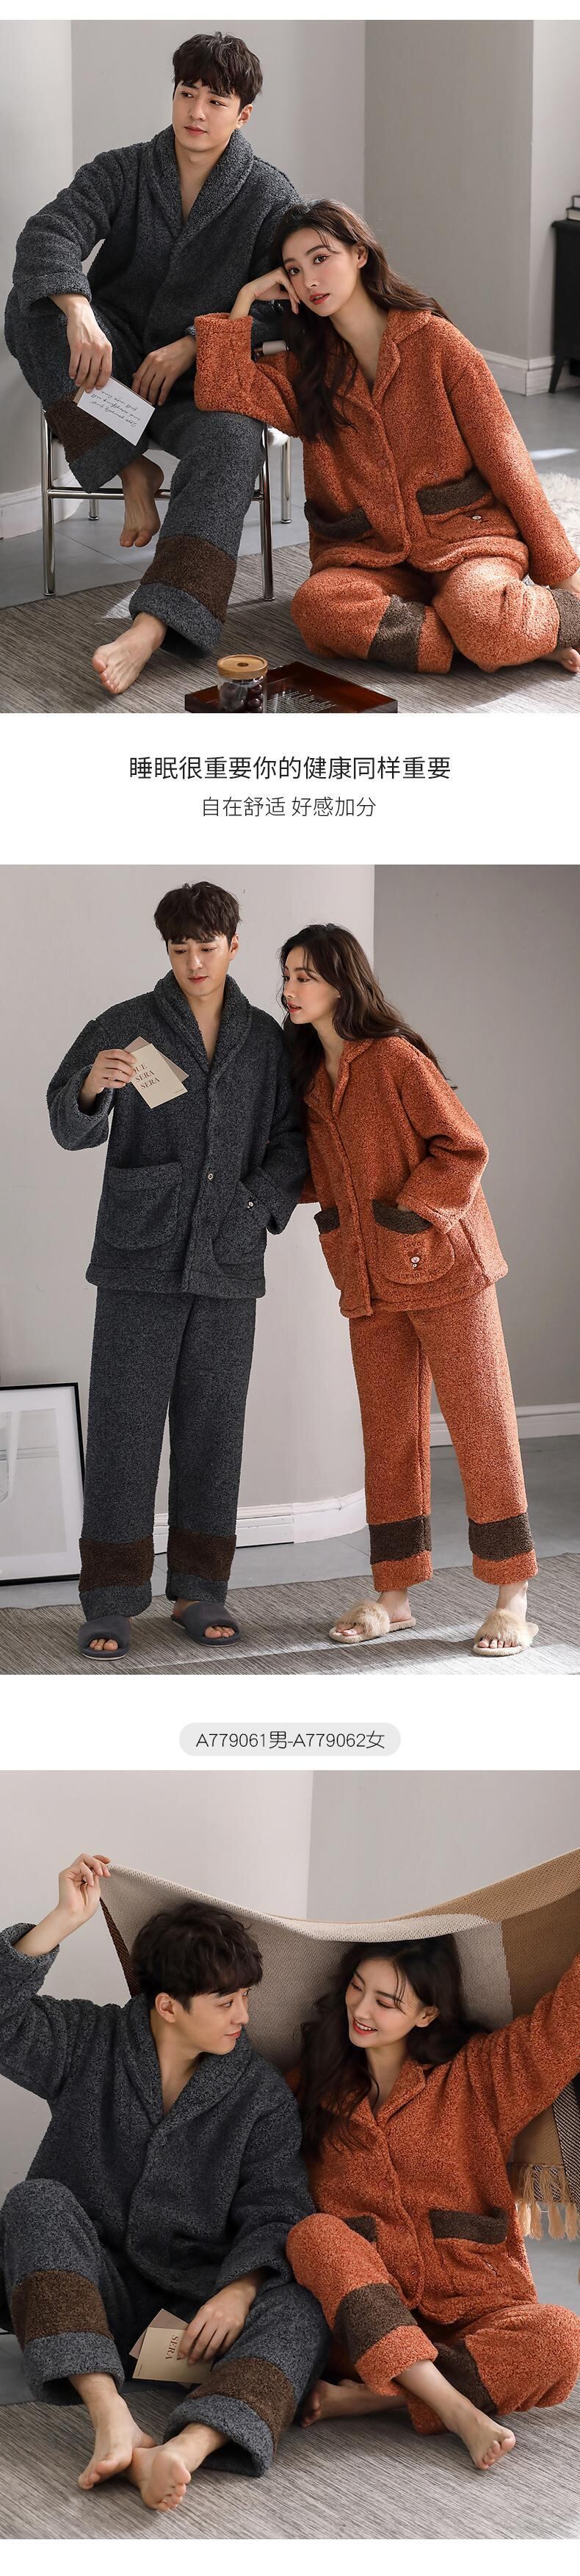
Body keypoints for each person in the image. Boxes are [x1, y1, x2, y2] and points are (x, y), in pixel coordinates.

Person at [0, 1854, 327, 2513]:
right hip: (89, 2298)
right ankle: (111, 2414)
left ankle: (188, 2447)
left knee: (302, 2310)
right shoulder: (89, 2039)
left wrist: (239, 2290)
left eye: (246, 1996)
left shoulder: (259, 2094)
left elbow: (278, 2206)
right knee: (35, 2202)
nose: (243, 2015)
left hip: (188, 2328)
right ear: (168, 2005)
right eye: (226, 2001)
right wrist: (62, 1920)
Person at [46, 879, 308, 1655]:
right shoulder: (124, 1024)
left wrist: (253, 1207)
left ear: (234, 945)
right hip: (139, 1256)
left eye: (207, 946)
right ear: (166, 949)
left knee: (213, 1432)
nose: (194, 961)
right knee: (124, 1430)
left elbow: (292, 1142)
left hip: (228, 1258)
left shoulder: (265, 1041)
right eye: (180, 947)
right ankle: (110, 1599)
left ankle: (200, 1591)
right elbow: (67, 1123)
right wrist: (92, 1085)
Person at [5, 31, 297, 697]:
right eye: (187, 93)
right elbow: (48, 234)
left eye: (215, 100)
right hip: (112, 365)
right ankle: (129, 463)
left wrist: (196, 342)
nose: (197, 111)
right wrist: (78, 308)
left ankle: (152, 625)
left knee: (234, 440)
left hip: (201, 384)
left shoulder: (269, 196)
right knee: (27, 308)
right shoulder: (125, 169)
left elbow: (285, 307)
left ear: (243, 114)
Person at [279, 923, 537, 1656]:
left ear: (341, 983)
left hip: (448, 1269)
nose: (290, 989)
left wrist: (409, 1212)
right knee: (388, 1437)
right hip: (369, 1280)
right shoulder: (311, 1080)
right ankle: (393, 1596)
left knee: (482, 1428)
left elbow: (464, 1146)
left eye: (304, 976)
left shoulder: (394, 1058)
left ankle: (513, 1597)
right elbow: (320, 1174)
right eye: (287, 976)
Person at [192, 198, 580, 679]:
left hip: (465, 539)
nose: (309, 280)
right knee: (317, 608)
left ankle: (500, 624)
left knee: (479, 611)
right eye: (293, 270)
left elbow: (507, 459)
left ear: (360, 254)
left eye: (320, 258)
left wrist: (564, 576)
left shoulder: (436, 343)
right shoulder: (306, 370)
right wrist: (247, 298)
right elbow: (221, 390)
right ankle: (491, 635)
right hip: (369, 554)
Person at [285, 1935, 580, 2471]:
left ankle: (383, 2397)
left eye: (386, 2001)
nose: (362, 2010)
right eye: (357, 1988)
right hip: (364, 2323)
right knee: (315, 2235)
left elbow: (561, 2031)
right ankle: (456, 2408)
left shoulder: (478, 2075)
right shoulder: (310, 2087)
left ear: (426, 2014)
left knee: (562, 2337)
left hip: (476, 2309)